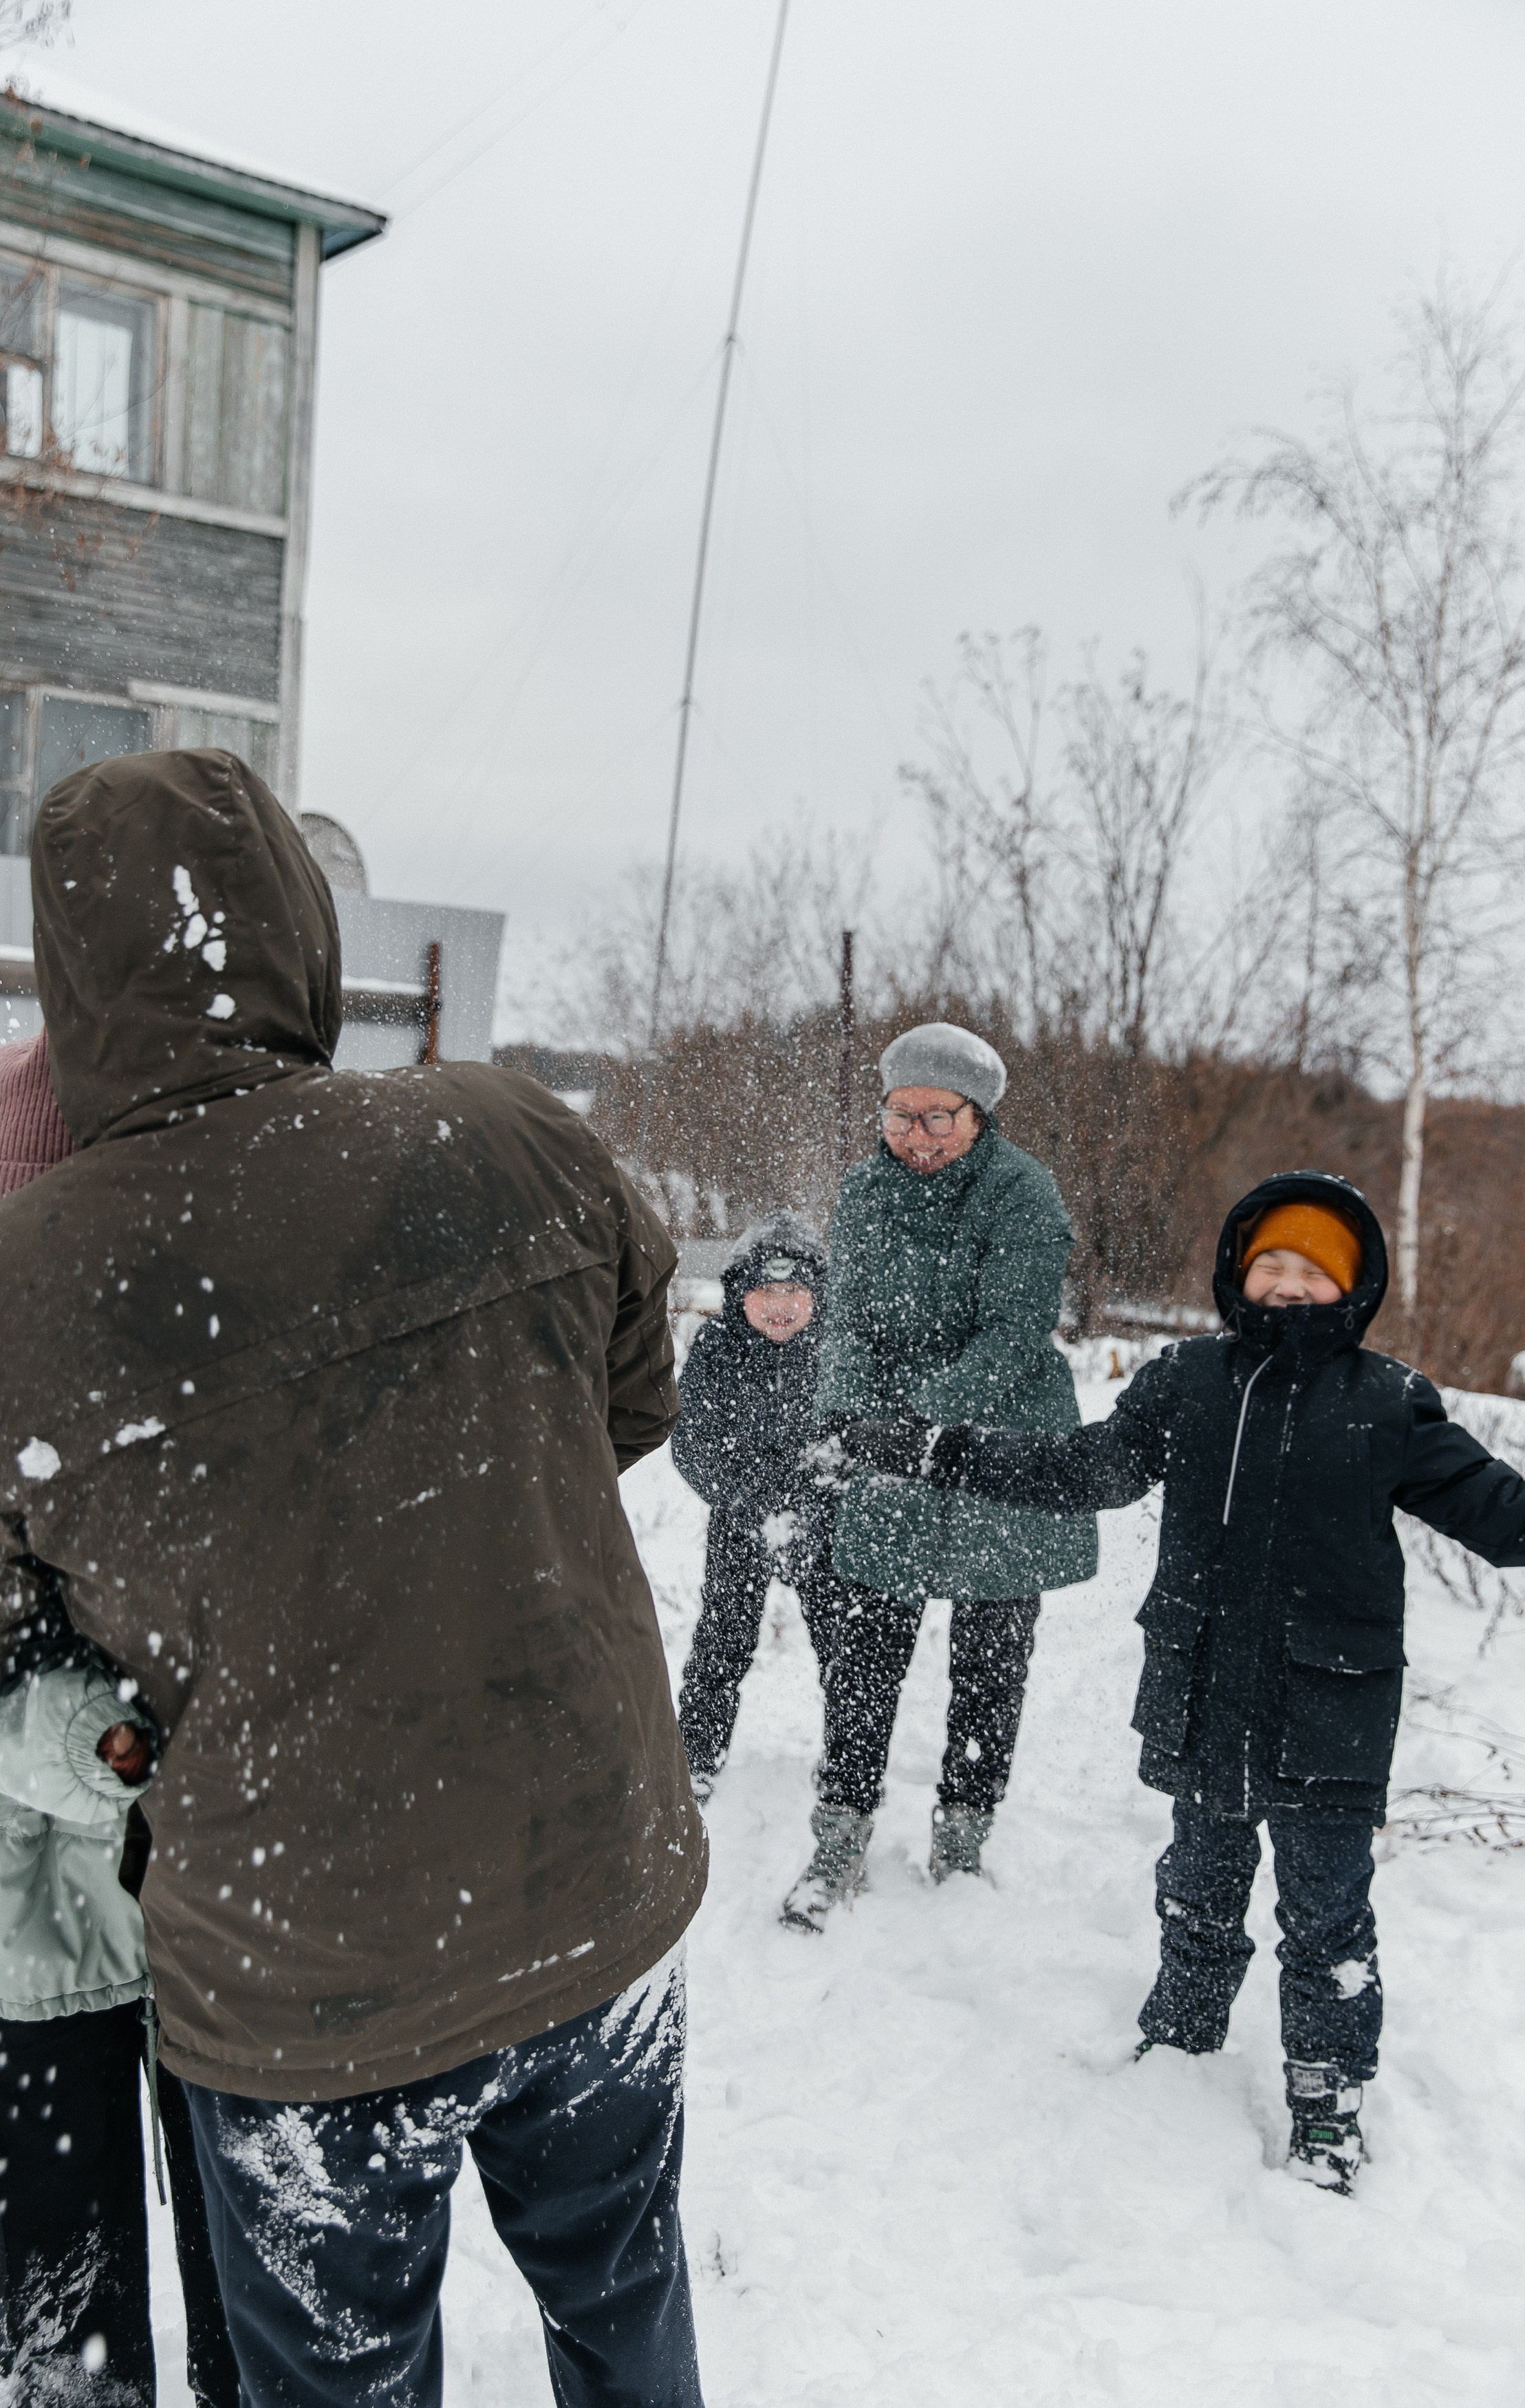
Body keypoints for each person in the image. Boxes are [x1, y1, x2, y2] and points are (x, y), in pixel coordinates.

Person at [0, 752, 707, 2405]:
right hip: (590, 1888)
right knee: (623, 2314)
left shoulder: (25, 1285)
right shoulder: (514, 1136)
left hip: (302, 1983)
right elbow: (629, 1397)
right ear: (304, 935)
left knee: (340, 2379)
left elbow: (24, 1634)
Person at [834, 1168, 1525, 2190]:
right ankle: (1180, 2041)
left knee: (1326, 1916)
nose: (1289, 1284)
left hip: (1330, 1698)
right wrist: (939, 1449)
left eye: (1314, 1271)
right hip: (1202, 1688)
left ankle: (1326, 2098)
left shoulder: (1388, 1403)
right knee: (1196, 1886)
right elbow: (1084, 1473)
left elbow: (1509, 1516)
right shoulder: (1185, 1381)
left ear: (1353, 1287)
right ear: (1241, 1272)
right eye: (1271, 1263)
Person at [0, 1031, 239, 2407]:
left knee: (244, 2293)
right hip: (37, 1956)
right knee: (67, 2323)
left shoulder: (194, 1379)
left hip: (211, 1927)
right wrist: (121, 1748)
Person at [782, 1021, 1096, 1932]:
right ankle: (839, 1832)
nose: (917, 1135)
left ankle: (964, 1831)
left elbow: (1010, 1334)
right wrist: (851, 1410)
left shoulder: (1023, 1195)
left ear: (979, 1115)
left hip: (1001, 1443)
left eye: (938, 1117)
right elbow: (846, 1322)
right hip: (887, 1442)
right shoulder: (865, 1193)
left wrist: (917, 1419)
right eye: (900, 1115)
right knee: (866, 1647)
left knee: (992, 1657)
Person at [672, 1212, 845, 1802]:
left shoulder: (838, 1354)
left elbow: (856, 1440)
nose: (779, 1304)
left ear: (816, 1296)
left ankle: (847, 1765)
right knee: (721, 1638)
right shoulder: (717, 1350)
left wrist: (812, 1501)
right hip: (739, 1522)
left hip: (823, 1526)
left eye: (794, 1291)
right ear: (739, 1293)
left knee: (845, 1647)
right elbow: (694, 1443)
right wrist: (751, 1502)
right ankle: (695, 1753)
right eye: (765, 1291)